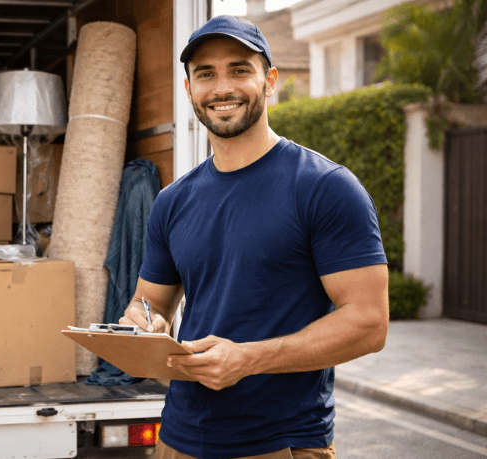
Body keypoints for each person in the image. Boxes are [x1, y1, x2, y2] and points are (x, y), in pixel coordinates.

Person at [119, 15, 389, 459]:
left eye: (240, 69)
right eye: (205, 74)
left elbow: (369, 324)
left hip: (279, 443)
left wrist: (247, 359)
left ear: (270, 81)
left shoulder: (325, 188)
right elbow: (150, 301)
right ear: (189, 90)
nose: (222, 87)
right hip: (179, 437)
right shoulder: (172, 201)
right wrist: (143, 322)